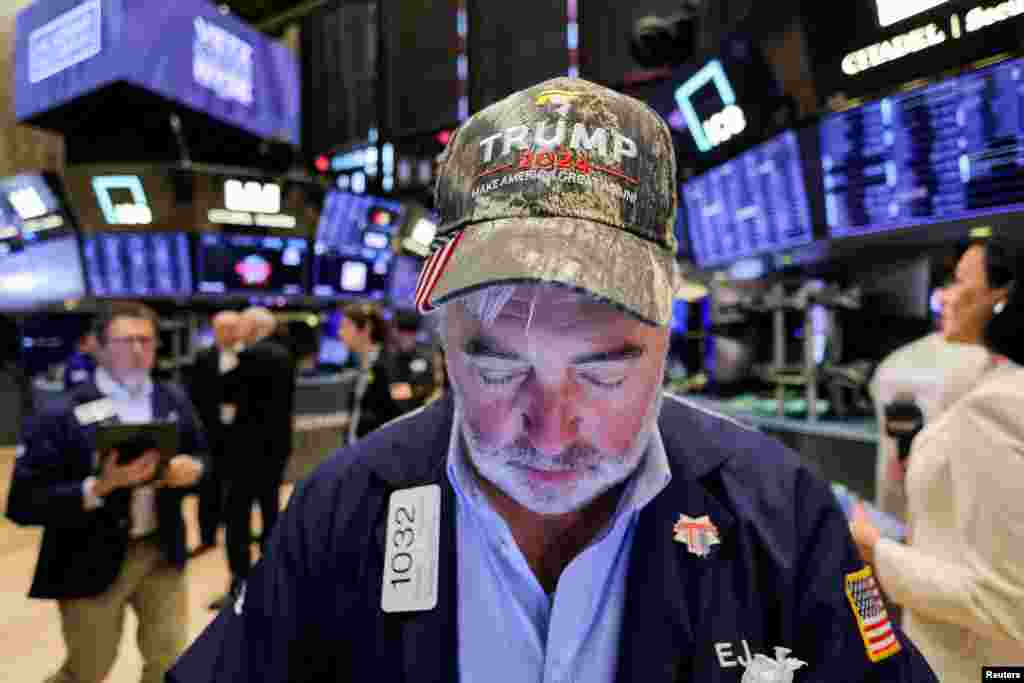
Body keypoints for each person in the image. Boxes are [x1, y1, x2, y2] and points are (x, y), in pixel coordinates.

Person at [170, 77, 935, 682]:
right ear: (443, 338)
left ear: (667, 336)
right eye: (496, 363)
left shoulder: (781, 514)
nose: (548, 427)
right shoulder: (340, 509)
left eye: (605, 369)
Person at [851, 237, 1024, 681]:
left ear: (1001, 298)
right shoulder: (993, 383)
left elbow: (1005, 603)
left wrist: (875, 550)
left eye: (959, 281)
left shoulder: (996, 406)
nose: (944, 295)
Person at [6, 301, 206, 683]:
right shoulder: (60, 413)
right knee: (88, 668)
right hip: (88, 557)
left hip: (160, 550)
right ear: (96, 346)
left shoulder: (172, 400)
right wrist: (98, 487)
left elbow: (205, 456)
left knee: (169, 659)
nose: (137, 350)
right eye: (125, 340)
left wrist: (192, 469)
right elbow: (22, 502)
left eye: (146, 341)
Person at [212, 307, 296, 609]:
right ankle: (274, 579)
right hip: (276, 449)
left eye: (243, 325)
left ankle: (240, 582)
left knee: (237, 516)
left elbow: (223, 390)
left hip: (245, 452)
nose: (238, 331)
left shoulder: (250, 356)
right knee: (271, 510)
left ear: (254, 328)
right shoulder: (285, 355)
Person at [186, 310, 242, 553]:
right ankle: (206, 537)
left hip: (241, 434)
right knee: (208, 488)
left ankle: (236, 533)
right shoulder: (203, 357)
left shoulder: (249, 356)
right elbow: (194, 396)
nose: (227, 333)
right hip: (210, 434)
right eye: (222, 328)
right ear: (214, 330)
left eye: (232, 328)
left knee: (238, 488)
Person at [339, 301, 403, 442]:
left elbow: (396, 417)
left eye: (345, 326)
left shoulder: (387, 366)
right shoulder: (362, 366)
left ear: (366, 328)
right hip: (356, 449)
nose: (340, 333)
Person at [385, 309, 438, 414]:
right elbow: (389, 392)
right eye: (402, 331)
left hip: (420, 412)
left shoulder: (425, 357)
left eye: (411, 331)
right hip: (393, 414)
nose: (406, 336)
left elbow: (429, 388)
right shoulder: (387, 359)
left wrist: (415, 390)